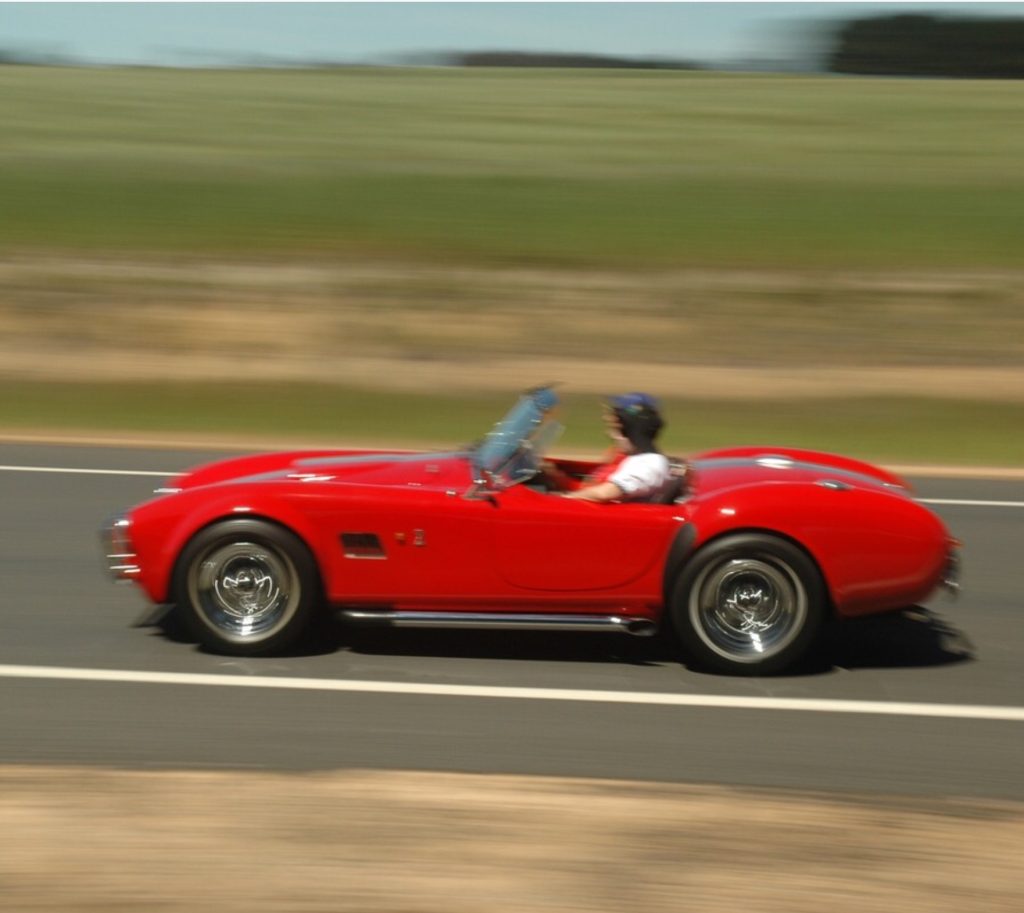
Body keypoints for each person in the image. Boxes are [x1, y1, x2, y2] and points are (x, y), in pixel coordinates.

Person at [547, 393, 676, 503]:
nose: (609, 434)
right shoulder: (633, 458)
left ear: (630, 428)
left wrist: (562, 499)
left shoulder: (649, 464)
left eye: (615, 427)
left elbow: (605, 493)